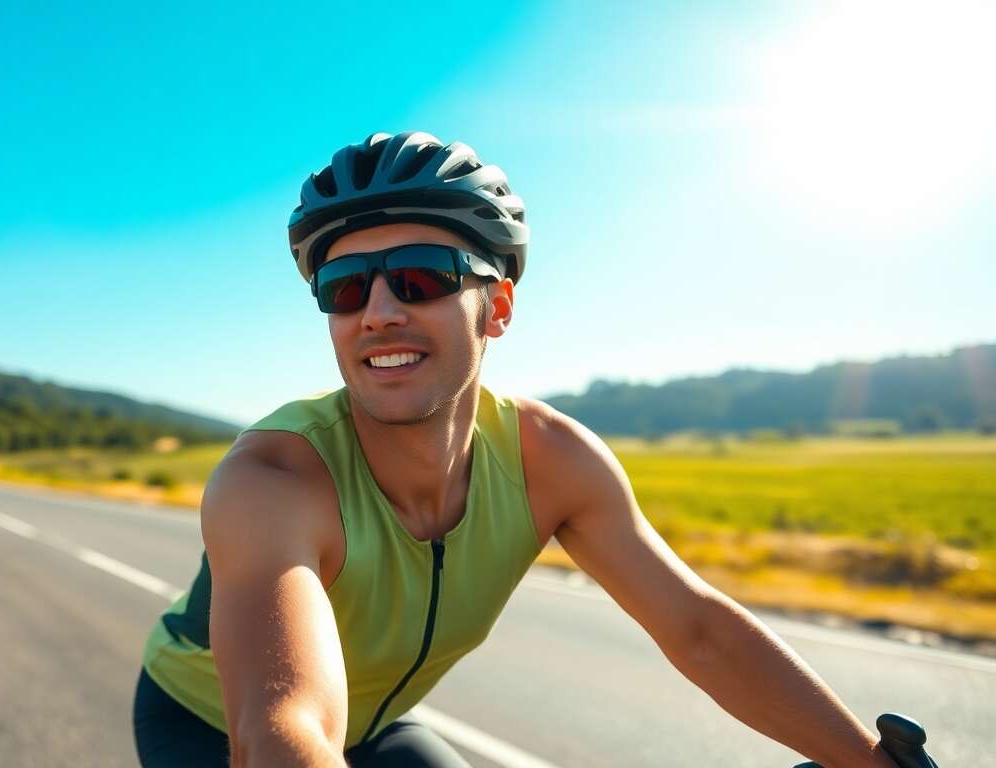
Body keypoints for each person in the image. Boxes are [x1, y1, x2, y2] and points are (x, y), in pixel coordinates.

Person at [131, 131, 898, 767]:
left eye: (422, 277)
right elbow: (280, 727)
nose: (379, 313)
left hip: (374, 729)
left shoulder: (550, 459)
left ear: (495, 306)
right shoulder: (273, 478)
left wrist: (869, 759)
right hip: (208, 727)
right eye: (346, 287)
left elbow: (696, 628)